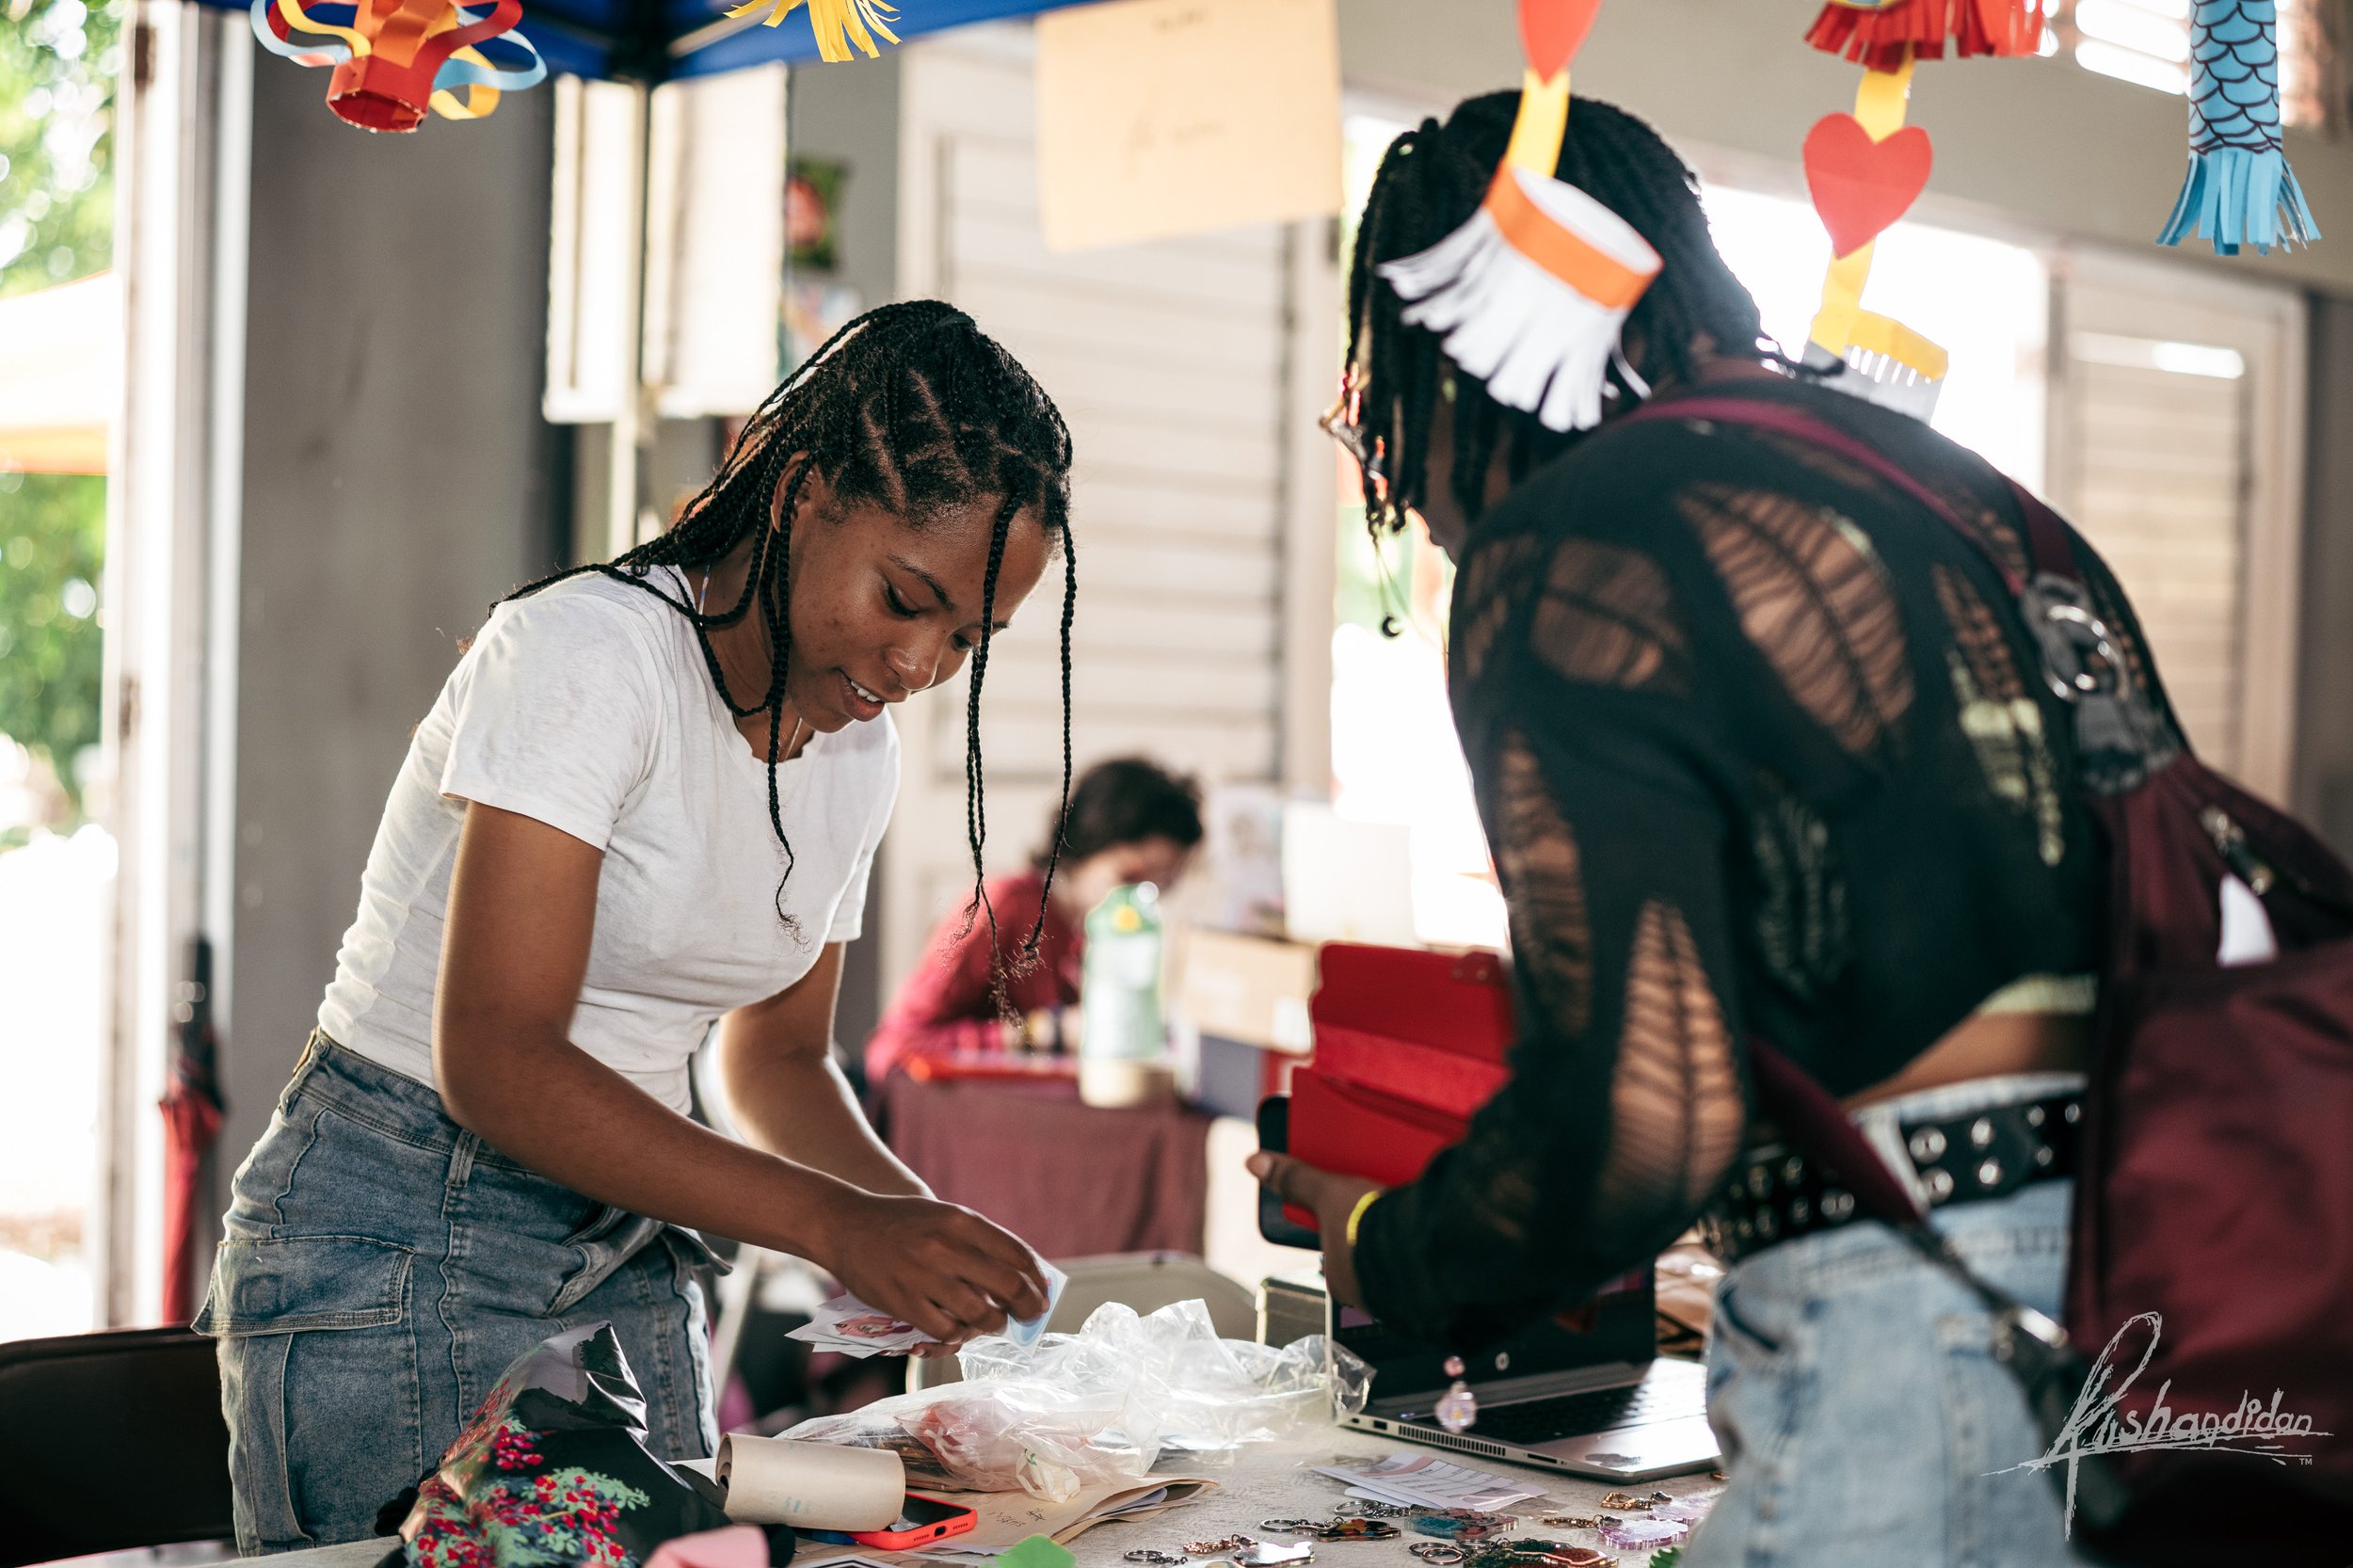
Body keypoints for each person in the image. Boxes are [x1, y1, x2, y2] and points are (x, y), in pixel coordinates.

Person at [1249, 93, 2177, 1568]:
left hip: (1918, 1309)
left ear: (1463, 336)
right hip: (2155, 1277)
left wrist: (1389, 1243)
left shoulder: (1572, 548)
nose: (1399, 477)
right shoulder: (1964, 497)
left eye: (1384, 395)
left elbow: (1643, 1120)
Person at [197, 303, 1076, 1553]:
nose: (923, 660)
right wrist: (835, 1224)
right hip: (401, 1232)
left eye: (967, 638)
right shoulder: (589, 655)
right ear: (803, 495)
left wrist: (925, 1237)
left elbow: (772, 1060)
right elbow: (498, 1058)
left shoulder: (854, 748)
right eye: (905, 597)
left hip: (626, 1236)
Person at [864, 757, 1202, 1081]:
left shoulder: (1103, 936)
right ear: (1085, 845)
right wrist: (1046, 1032)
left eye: (1160, 889)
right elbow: (896, 1045)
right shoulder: (1002, 908)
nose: (1139, 904)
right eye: (1129, 879)